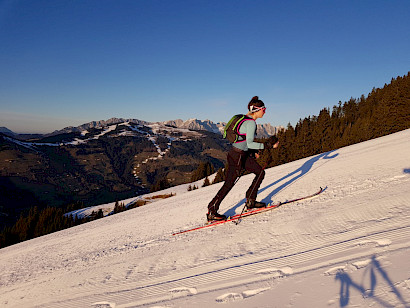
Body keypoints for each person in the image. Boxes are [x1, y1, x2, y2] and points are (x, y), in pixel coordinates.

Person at [207, 96, 279, 221]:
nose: (265, 112)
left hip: (241, 154)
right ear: (257, 110)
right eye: (264, 109)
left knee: (260, 172)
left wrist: (253, 151)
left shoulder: (246, 120)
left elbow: (244, 141)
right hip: (238, 156)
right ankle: (212, 210)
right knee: (229, 183)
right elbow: (250, 143)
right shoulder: (250, 123)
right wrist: (267, 145)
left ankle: (251, 200)